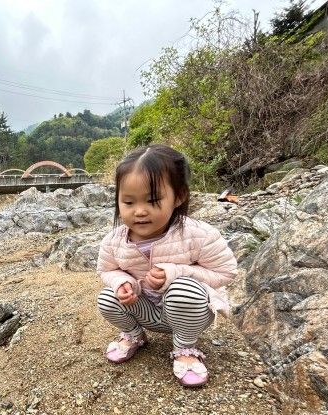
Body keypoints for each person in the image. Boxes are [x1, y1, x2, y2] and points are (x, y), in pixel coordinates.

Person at [96, 144, 237, 387]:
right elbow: (107, 269)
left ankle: (185, 348)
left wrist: (176, 273)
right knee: (108, 298)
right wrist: (123, 284)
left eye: (153, 200)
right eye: (128, 202)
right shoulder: (114, 240)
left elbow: (226, 272)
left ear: (179, 196)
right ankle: (134, 335)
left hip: (190, 312)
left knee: (183, 289)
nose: (140, 211)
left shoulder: (198, 234)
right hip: (147, 311)